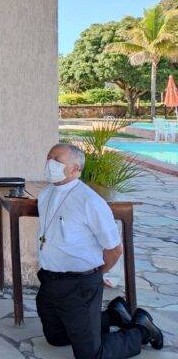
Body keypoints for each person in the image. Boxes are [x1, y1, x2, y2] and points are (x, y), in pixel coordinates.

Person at [36, 143, 163, 359]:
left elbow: (114, 249)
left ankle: (142, 330)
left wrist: (94, 275)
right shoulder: (46, 194)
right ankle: (114, 314)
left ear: (76, 169)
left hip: (79, 285)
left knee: (90, 355)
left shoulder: (90, 202)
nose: (50, 164)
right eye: (49, 158)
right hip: (49, 281)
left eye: (57, 161)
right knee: (56, 338)